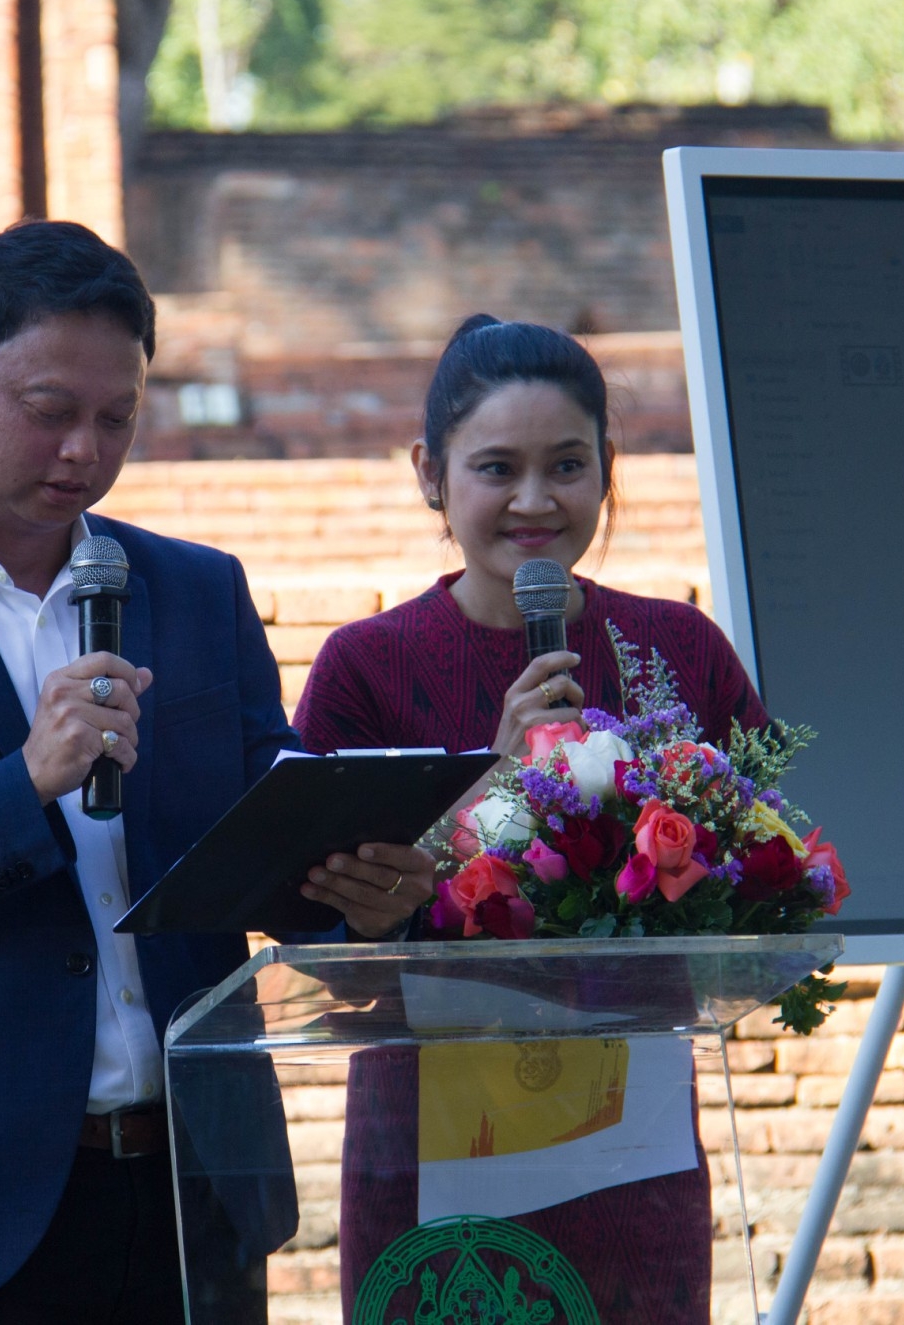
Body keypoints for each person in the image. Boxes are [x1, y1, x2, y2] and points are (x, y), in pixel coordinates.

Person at [0, 221, 420, 1324]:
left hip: (197, 1193)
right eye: (49, 409)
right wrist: (21, 785)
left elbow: (263, 841)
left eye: (117, 418)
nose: (83, 453)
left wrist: (361, 893)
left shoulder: (195, 592)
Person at [293, 314, 772, 1321]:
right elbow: (317, 936)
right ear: (429, 475)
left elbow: (768, 865)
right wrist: (498, 783)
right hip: (432, 1152)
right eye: (496, 469)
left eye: (565, 465)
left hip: (630, 1150)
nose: (534, 500)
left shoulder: (679, 648)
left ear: (607, 469)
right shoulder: (363, 669)